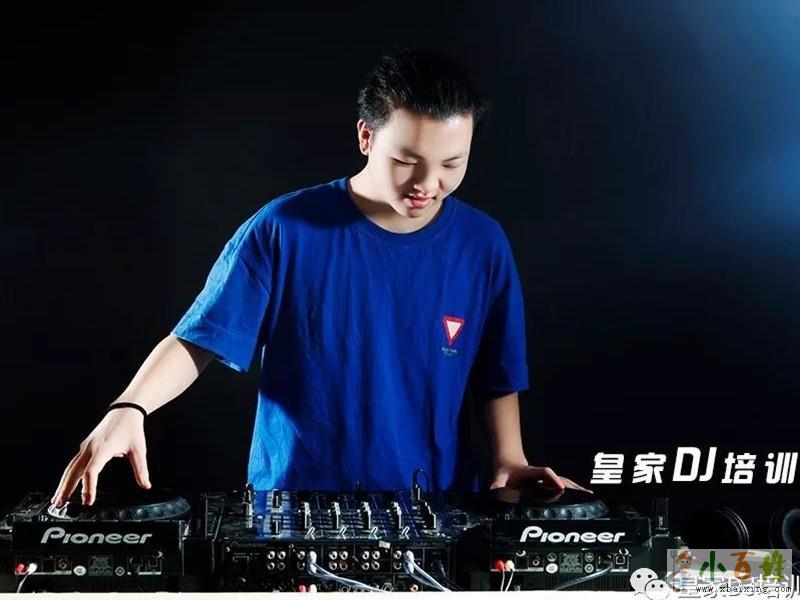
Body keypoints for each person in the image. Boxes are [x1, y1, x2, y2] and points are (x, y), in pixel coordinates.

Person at [51, 47, 588, 508]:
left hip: (438, 508)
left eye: (452, 164)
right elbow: (200, 338)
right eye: (407, 160)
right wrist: (130, 406)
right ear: (366, 137)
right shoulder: (286, 227)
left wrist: (509, 459)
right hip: (293, 505)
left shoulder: (482, 243)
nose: (428, 183)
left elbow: (497, 373)